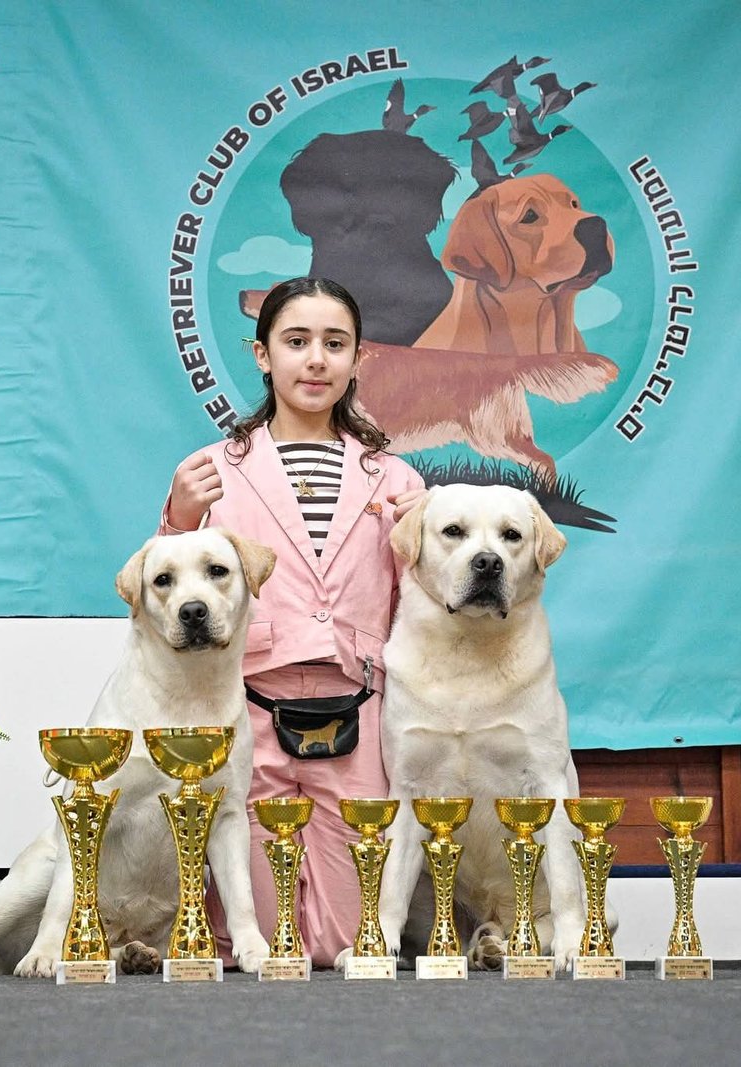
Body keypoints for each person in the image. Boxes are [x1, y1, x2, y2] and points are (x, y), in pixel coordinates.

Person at [160, 276, 425, 967]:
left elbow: (422, 606)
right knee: (255, 936)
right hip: (248, 703)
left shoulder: (398, 480)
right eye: (296, 341)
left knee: (348, 941)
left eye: (335, 344)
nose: (315, 360)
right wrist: (179, 519)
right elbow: (166, 588)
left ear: (358, 358)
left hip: (357, 704)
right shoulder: (210, 472)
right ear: (262, 354)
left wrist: (423, 541)